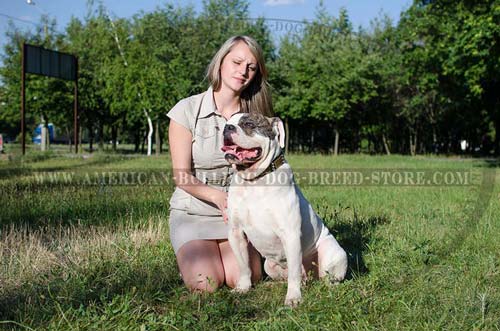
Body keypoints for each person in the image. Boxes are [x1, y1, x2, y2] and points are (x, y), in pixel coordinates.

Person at [167, 35, 273, 292]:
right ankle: (192, 257)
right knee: (207, 283)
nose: (243, 71)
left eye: (251, 67)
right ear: (221, 62)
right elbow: (181, 177)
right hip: (193, 213)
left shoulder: (256, 118)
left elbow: (268, 170)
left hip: (238, 216)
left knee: (244, 278)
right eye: (237, 62)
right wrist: (219, 197)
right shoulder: (187, 110)